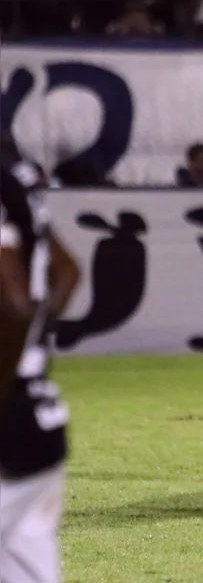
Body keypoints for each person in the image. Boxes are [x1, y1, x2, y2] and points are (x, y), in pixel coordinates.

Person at [0, 154, 81, 582]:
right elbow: (67, 272)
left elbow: (13, 306)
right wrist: (31, 353)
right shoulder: (14, 174)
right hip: (40, 419)